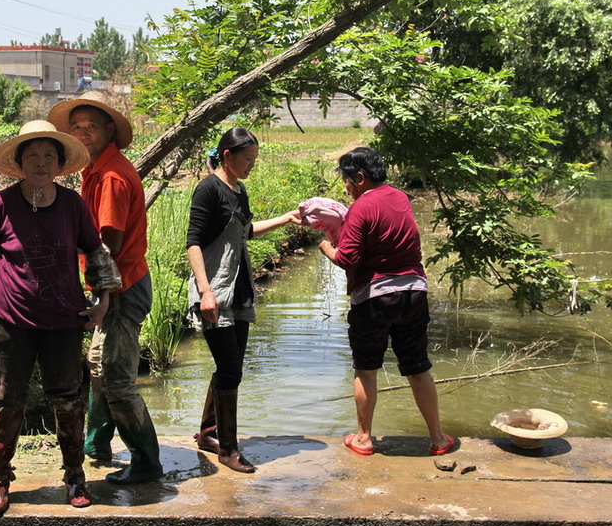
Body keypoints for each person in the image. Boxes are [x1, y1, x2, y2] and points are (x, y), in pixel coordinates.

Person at [0, 120, 122, 514]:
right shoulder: (0, 204)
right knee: (8, 401)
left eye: (48, 155)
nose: (40, 162)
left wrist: (102, 298)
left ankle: (75, 477)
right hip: (9, 320)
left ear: (59, 163)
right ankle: (0, 480)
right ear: (19, 163)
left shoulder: (72, 205)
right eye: (32, 155)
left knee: (68, 402)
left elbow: (96, 250)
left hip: (63, 321)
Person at [47, 92, 163, 484]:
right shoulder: (95, 171)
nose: (84, 133)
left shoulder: (111, 176)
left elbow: (107, 246)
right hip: (116, 282)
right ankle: (96, 443)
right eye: (76, 128)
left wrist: (100, 296)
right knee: (99, 368)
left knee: (115, 378)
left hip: (121, 286)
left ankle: (147, 461)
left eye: (91, 126)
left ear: (109, 129)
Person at [319, 146, 455, 457]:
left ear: (360, 178)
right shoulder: (400, 198)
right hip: (413, 293)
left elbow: (347, 258)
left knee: (366, 369)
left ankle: (364, 438)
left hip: (375, 299)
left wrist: (326, 247)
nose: (346, 187)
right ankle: (437, 438)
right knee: (418, 368)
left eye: (347, 181)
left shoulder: (361, 207)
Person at [186, 127, 301, 473]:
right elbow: (193, 242)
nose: (251, 165)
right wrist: (205, 292)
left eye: (254, 159)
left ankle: (208, 433)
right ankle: (229, 449)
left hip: (238, 291)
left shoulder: (239, 189)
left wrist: (286, 219)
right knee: (232, 370)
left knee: (228, 366)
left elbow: (246, 231)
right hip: (215, 291)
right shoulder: (208, 189)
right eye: (247, 159)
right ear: (227, 156)